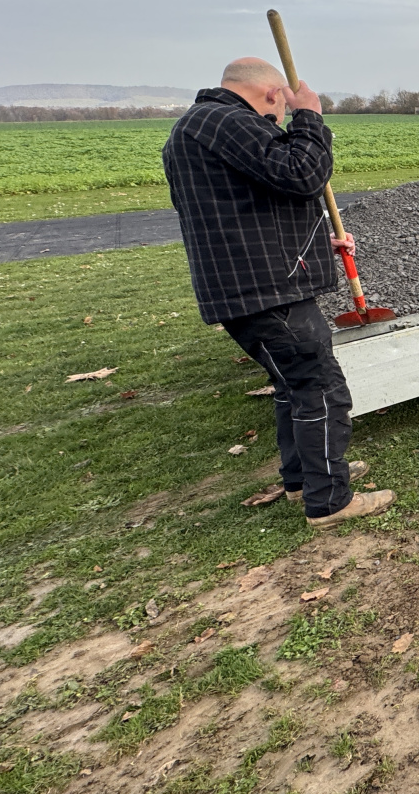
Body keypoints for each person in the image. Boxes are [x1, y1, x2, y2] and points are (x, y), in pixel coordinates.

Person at [162, 57, 394, 526]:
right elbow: (303, 174)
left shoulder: (196, 127)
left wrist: (315, 242)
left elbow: (247, 208)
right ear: (273, 94)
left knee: (294, 387)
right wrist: (309, 116)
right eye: (283, 109)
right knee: (321, 388)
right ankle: (330, 500)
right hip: (268, 293)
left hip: (249, 285)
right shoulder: (229, 122)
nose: (281, 120)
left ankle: (305, 479)